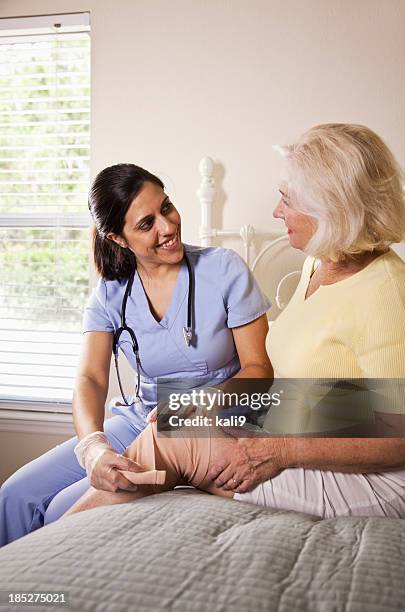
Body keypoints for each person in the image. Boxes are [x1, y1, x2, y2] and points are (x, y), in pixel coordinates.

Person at [64, 124, 405, 520]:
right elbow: (316, 392)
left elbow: (399, 435)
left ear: (330, 208)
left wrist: (277, 450)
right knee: (172, 426)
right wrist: (208, 402)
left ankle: (41, 561)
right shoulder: (321, 262)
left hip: (381, 478)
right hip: (310, 424)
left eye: (287, 199)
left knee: (170, 442)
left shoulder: (387, 292)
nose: (277, 211)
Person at [0, 164, 273, 547]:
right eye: (146, 224)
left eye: (167, 207)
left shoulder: (223, 269)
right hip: (138, 418)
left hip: (210, 417)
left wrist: (201, 402)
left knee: (61, 510)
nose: (167, 226)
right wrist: (92, 447)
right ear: (119, 238)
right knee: (14, 497)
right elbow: (91, 379)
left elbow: (259, 369)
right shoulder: (111, 293)